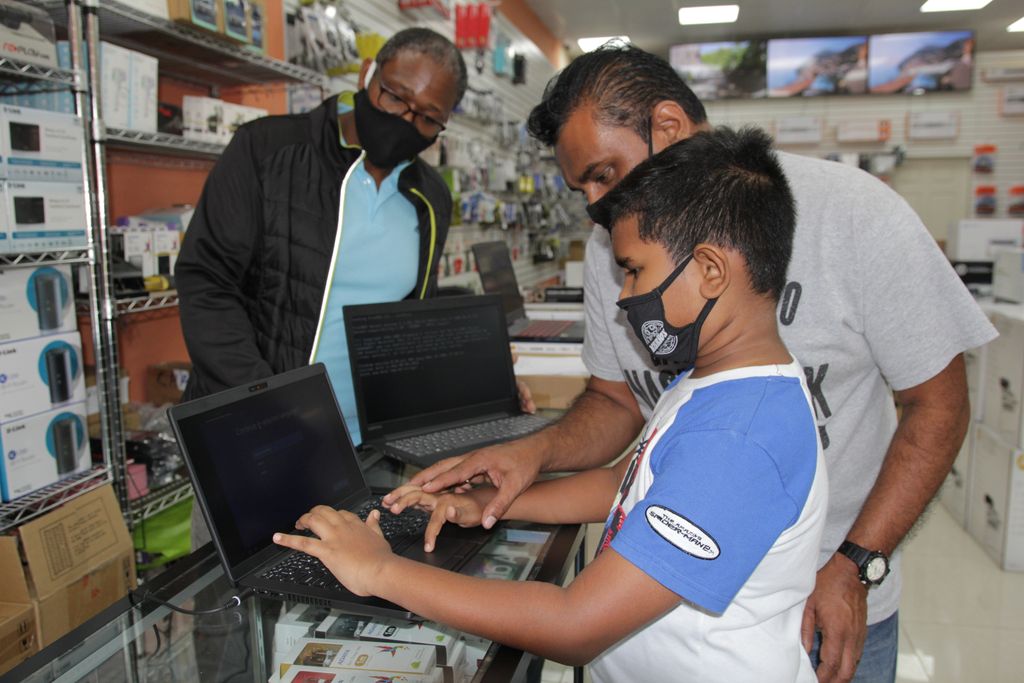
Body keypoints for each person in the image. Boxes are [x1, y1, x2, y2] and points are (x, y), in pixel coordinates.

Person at [395, 44, 997, 682]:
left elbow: (939, 403)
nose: (596, 208)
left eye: (604, 174)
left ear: (670, 128)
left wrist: (854, 566)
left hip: (823, 597)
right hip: (653, 587)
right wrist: (524, 466)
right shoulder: (654, 290)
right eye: (583, 190)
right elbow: (621, 416)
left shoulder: (854, 215)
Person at [276, 127, 829, 682]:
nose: (623, 295)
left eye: (635, 269)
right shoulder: (713, 382)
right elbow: (631, 486)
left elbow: (575, 626)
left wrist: (379, 571)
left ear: (709, 271)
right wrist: (495, 502)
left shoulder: (738, 439)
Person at [176, 28, 465, 547]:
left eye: (427, 117)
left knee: (341, 609)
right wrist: (269, 410)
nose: (406, 120)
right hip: (248, 440)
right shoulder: (267, 149)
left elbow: (409, 322)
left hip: (364, 451)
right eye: (395, 96)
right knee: (233, 608)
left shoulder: (430, 196)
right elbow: (207, 282)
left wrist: (473, 381)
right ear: (366, 74)